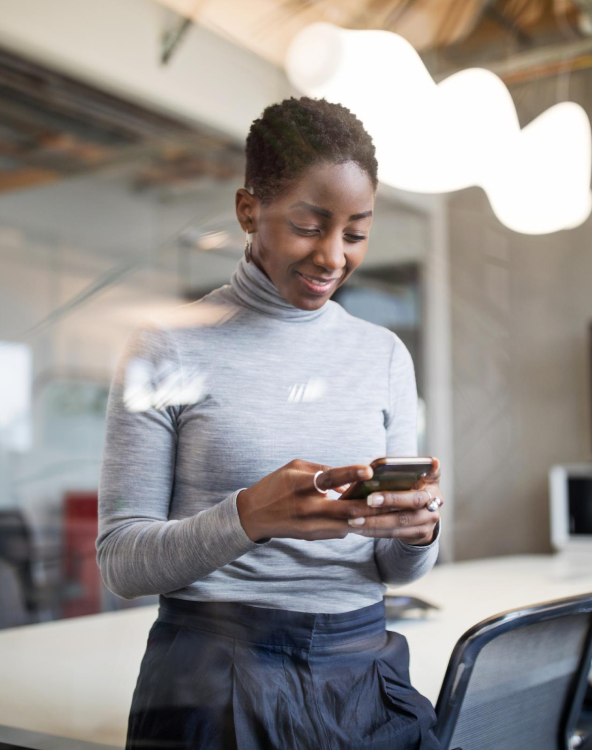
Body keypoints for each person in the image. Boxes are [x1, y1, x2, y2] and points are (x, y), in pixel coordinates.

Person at [97, 96, 450, 750]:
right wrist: (250, 516)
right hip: (214, 673)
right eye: (310, 225)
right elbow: (121, 561)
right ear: (248, 209)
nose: (333, 257)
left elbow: (394, 569)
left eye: (356, 232)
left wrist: (418, 529)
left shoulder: (384, 355)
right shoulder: (168, 346)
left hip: (364, 670)